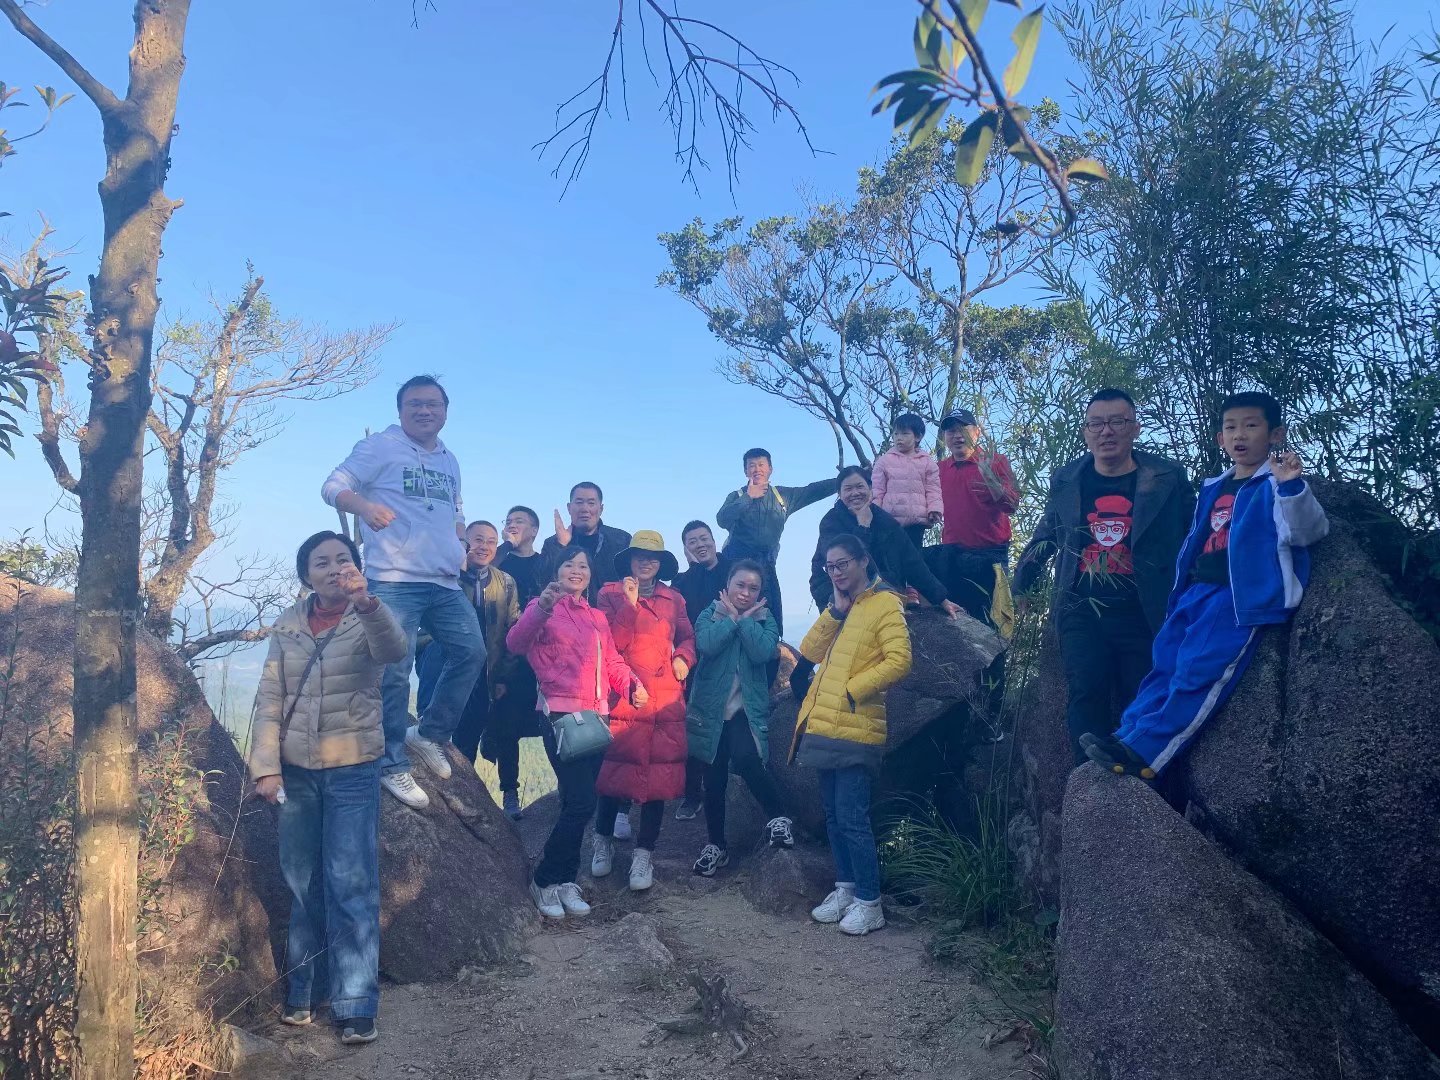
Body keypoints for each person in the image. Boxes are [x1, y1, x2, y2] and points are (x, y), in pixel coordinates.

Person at [1083, 392, 1328, 777]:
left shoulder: (1274, 485)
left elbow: (1309, 531)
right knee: (1164, 664)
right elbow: (1195, 541)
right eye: (1231, 427)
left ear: (1275, 434)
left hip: (1238, 597)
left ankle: (1147, 753)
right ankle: (1127, 734)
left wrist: (1291, 487)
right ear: (1220, 438)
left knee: (1197, 670)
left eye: (1251, 425)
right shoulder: (1215, 486)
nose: (1240, 435)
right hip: (1195, 591)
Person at [249, 531, 406, 1047]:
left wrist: (367, 602)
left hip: (352, 767)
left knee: (350, 882)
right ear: (306, 575)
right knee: (302, 881)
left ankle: (356, 1003)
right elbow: (270, 697)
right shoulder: (289, 624)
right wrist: (265, 767)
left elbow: (394, 649)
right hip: (296, 771)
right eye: (322, 562)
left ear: (356, 568)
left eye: (343, 559)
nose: (334, 568)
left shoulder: (368, 615)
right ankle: (304, 993)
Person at [321, 375, 485, 811]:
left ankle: (429, 734)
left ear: (445, 411)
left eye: (433, 404)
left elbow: (457, 508)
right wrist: (364, 507)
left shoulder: (450, 459)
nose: (424, 411)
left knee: (471, 652)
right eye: (415, 404)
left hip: (444, 580)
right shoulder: (381, 447)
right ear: (400, 410)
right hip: (394, 578)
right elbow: (332, 485)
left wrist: (459, 543)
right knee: (394, 671)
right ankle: (391, 763)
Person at [1013, 389, 1195, 763]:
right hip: (1081, 606)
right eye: (1096, 423)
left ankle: (1140, 779)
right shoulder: (1068, 478)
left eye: (1116, 422)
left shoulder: (1166, 477)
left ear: (1135, 428)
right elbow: (1047, 535)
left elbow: (1193, 534)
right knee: (1086, 688)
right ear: (1085, 431)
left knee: (1142, 693)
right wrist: (1022, 584)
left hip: (1143, 608)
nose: (1106, 431)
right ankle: (1088, 782)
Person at [506, 548, 648, 919]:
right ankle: (544, 879)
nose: (576, 570)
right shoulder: (542, 607)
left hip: (596, 715)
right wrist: (543, 606)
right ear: (555, 571)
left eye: (583, 565)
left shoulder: (596, 616)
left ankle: (566, 880)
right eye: (568, 564)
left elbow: (612, 661)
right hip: (560, 714)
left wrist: (631, 685)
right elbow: (515, 643)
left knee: (575, 801)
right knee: (583, 802)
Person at [792, 534, 912, 935]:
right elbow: (809, 650)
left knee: (852, 817)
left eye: (843, 563)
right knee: (833, 815)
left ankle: (869, 901)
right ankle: (845, 888)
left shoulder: (885, 603)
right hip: (826, 723)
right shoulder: (843, 605)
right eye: (830, 566)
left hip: (857, 725)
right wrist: (834, 611)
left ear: (863, 560)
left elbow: (900, 660)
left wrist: (853, 690)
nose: (836, 572)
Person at [589, 532, 696, 891]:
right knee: (614, 770)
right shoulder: (609, 593)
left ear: (661, 563)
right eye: (639, 555)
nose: (646, 562)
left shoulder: (674, 598)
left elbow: (688, 637)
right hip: (624, 693)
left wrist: (683, 658)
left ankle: (644, 853)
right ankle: (602, 840)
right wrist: (630, 605)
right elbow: (609, 644)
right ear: (629, 560)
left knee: (659, 776)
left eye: (653, 557)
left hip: (664, 696)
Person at [686, 560, 794, 877]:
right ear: (728, 584)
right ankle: (716, 845)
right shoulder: (710, 613)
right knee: (713, 778)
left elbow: (762, 652)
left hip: (744, 711)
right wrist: (731, 618)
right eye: (740, 585)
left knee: (747, 758)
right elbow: (706, 645)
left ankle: (779, 818)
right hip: (711, 711)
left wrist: (744, 621)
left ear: (760, 593)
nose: (745, 592)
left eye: (753, 588)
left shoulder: (765, 620)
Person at [809, 466, 962, 618]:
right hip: (835, 587)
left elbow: (910, 560)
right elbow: (845, 563)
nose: (855, 493)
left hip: (876, 586)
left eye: (860, 487)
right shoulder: (831, 522)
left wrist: (941, 599)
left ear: (870, 488)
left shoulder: (884, 520)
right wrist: (863, 526)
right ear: (840, 494)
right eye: (848, 489)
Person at [715, 448, 835, 638]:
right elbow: (722, 519)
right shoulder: (737, 496)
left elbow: (812, 491)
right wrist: (748, 497)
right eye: (751, 465)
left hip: (767, 568)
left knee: (771, 620)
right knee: (733, 619)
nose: (757, 469)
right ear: (745, 471)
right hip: (736, 568)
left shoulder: (782, 496)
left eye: (761, 464)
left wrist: (843, 480)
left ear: (770, 469)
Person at [925, 408, 1020, 627]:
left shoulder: (996, 461)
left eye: (963, 429)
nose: (957, 436)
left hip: (990, 555)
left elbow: (1012, 505)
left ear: (976, 432)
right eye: (951, 431)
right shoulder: (939, 470)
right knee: (956, 623)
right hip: (953, 555)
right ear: (945, 437)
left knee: (991, 624)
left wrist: (991, 479)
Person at [671, 520, 731, 820]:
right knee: (694, 726)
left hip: (729, 659)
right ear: (685, 548)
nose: (699, 544)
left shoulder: (732, 570)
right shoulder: (682, 581)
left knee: (727, 725)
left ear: (714, 540)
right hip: (696, 661)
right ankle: (692, 794)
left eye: (703, 538)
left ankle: (725, 790)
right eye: (692, 541)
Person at [538, 483, 632, 604]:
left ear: (601, 509)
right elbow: (543, 581)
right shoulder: (552, 543)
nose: (585, 509)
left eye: (591, 503)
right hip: (567, 611)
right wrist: (560, 546)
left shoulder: (621, 540)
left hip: (611, 612)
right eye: (579, 502)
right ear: (569, 507)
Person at [871, 412, 943, 550]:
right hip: (890, 520)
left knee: (914, 555)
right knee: (892, 557)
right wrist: (875, 514)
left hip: (917, 522)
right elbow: (877, 491)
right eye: (896, 434)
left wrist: (934, 509)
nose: (899, 438)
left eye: (905, 434)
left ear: (918, 437)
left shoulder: (927, 463)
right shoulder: (884, 461)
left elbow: (933, 489)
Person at [496, 505, 548, 606]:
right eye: (508, 522)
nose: (512, 525)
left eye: (519, 521)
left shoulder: (544, 563)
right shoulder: (498, 560)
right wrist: (508, 544)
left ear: (534, 531)